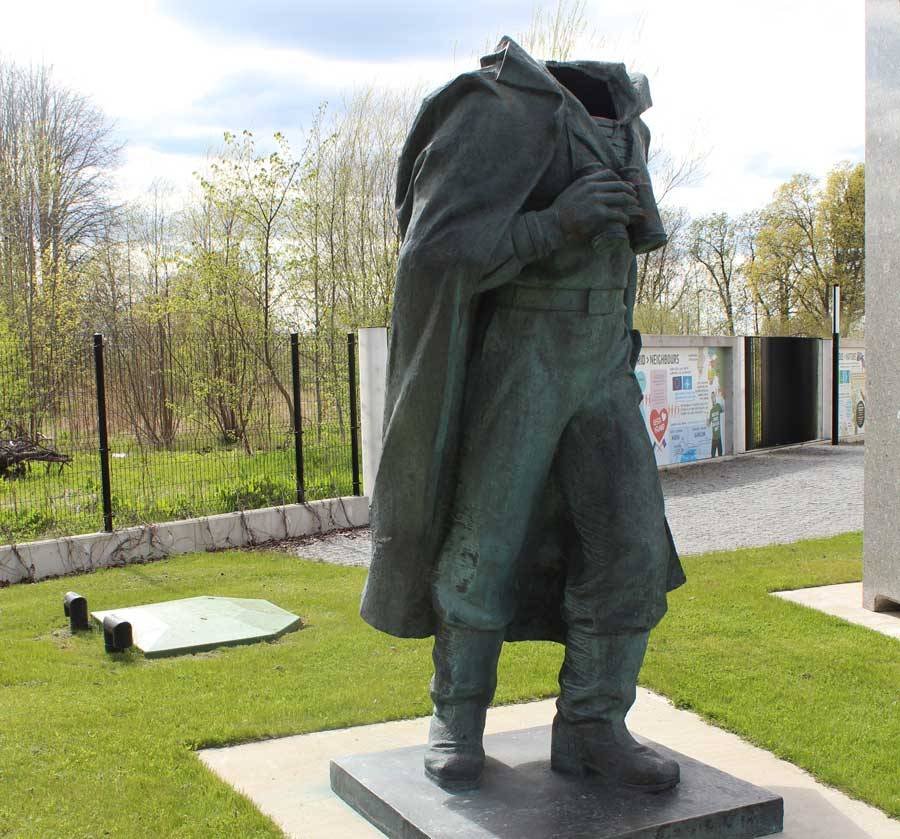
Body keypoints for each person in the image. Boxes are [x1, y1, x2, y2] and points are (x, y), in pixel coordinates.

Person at [360, 37, 686, 793]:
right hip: (523, 351)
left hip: (603, 361)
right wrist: (555, 223)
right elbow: (432, 254)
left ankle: (593, 727)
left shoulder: (627, 123)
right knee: (486, 541)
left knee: (632, 550)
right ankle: (457, 716)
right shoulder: (497, 109)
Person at [708, 391, 725, 458]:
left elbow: (724, 409)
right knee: (712, 455)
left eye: (714, 397)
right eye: (712, 397)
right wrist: (707, 421)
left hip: (719, 436)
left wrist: (722, 397)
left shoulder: (718, 406)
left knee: (720, 454)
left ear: (716, 397)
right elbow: (708, 423)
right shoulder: (711, 410)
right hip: (713, 437)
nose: (713, 398)